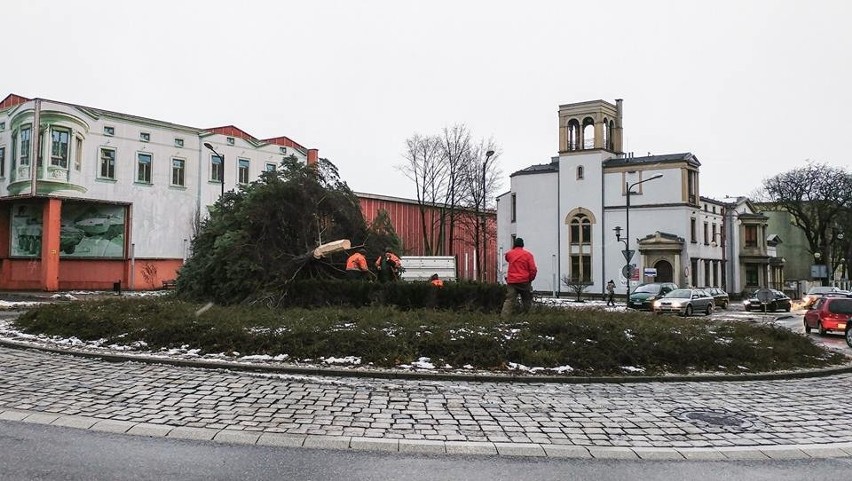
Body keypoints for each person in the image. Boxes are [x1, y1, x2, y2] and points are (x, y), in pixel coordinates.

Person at [501, 237, 537, 318]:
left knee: (509, 300)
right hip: (524, 281)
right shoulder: (528, 255)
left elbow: (507, 258)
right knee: (527, 300)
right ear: (522, 245)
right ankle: (529, 318)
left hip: (512, 282)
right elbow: (533, 269)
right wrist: (530, 279)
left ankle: (504, 318)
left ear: (514, 244)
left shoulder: (509, 254)